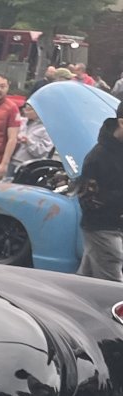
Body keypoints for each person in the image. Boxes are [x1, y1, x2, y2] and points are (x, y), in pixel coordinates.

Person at [75, 101, 123, 280]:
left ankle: (71, 303)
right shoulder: (98, 157)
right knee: (111, 287)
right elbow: (88, 200)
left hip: (115, 225)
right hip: (102, 227)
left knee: (87, 278)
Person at [7, 102, 53, 179]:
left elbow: (43, 151)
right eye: (25, 109)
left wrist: (28, 142)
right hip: (12, 162)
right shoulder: (22, 122)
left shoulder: (46, 129)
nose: (25, 112)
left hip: (29, 167)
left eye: (29, 110)